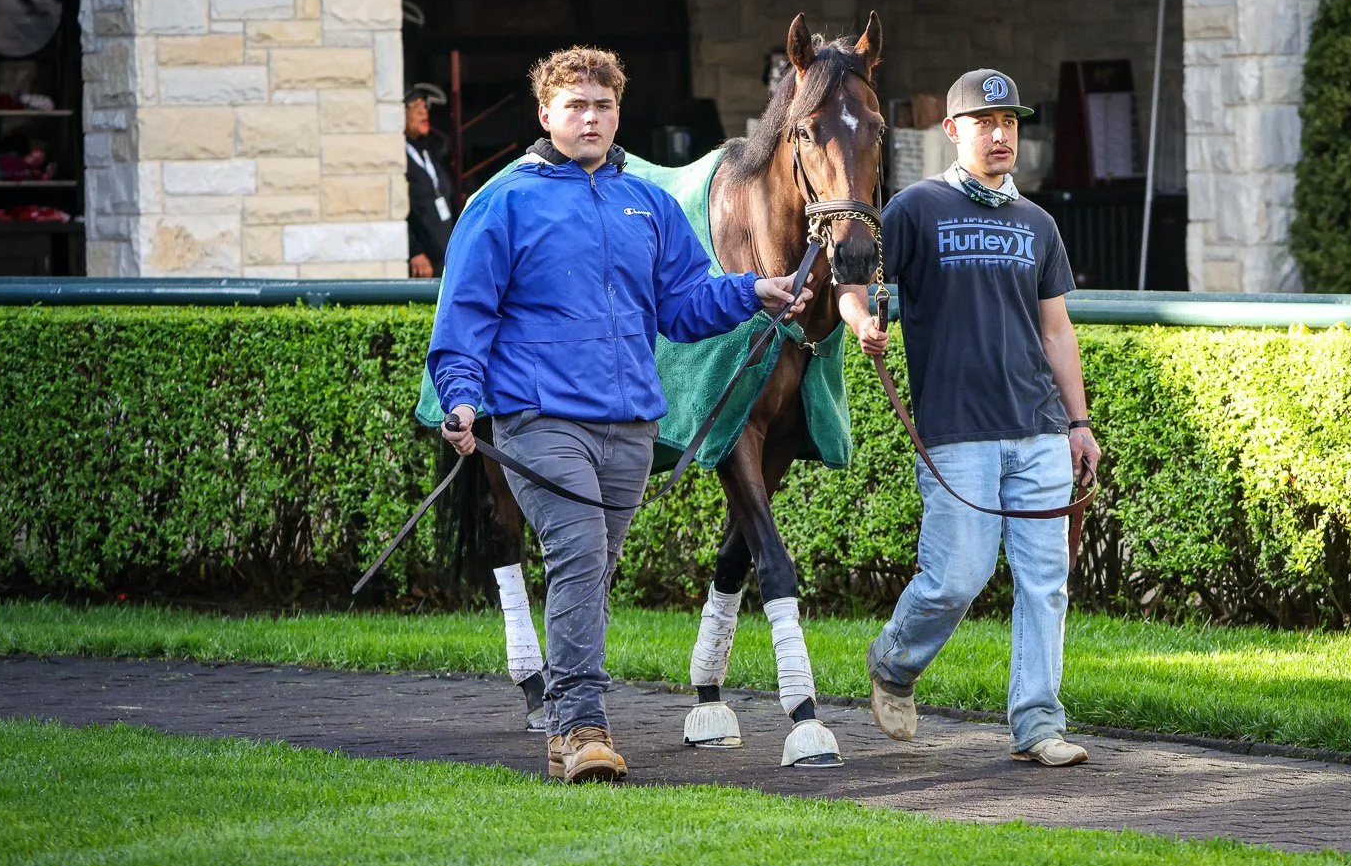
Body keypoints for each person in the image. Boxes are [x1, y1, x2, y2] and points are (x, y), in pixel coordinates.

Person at [427, 46, 809, 784]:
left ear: (617, 113)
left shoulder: (648, 204)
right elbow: (464, 314)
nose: (591, 118)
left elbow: (683, 305)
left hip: (631, 426)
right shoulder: (504, 203)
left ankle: (566, 720)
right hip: (540, 421)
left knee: (594, 571)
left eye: (602, 105)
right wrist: (461, 398)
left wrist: (751, 292)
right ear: (546, 114)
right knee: (577, 557)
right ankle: (581, 729)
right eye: (575, 106)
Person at [838, 68, 1101, 768]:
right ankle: (894, 662)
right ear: (952, 130)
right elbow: (852, 284)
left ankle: (1038, 724)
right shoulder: (915, 208)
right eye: (985, 122)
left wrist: (1078, 424)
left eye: (1009, 122)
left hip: (1039, 429)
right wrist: (863, 322)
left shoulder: (1039, 224)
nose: (1000, 134)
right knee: (957, 575)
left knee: (1045, 582)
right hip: (957, 431)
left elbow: (1057, 331)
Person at [405, 84, 453, 278]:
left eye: (424, 106)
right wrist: (414, 251)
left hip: (445, 248)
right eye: (414, 106)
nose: (423, 111)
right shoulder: (398, 156)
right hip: (425, 260)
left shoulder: (430, 149)